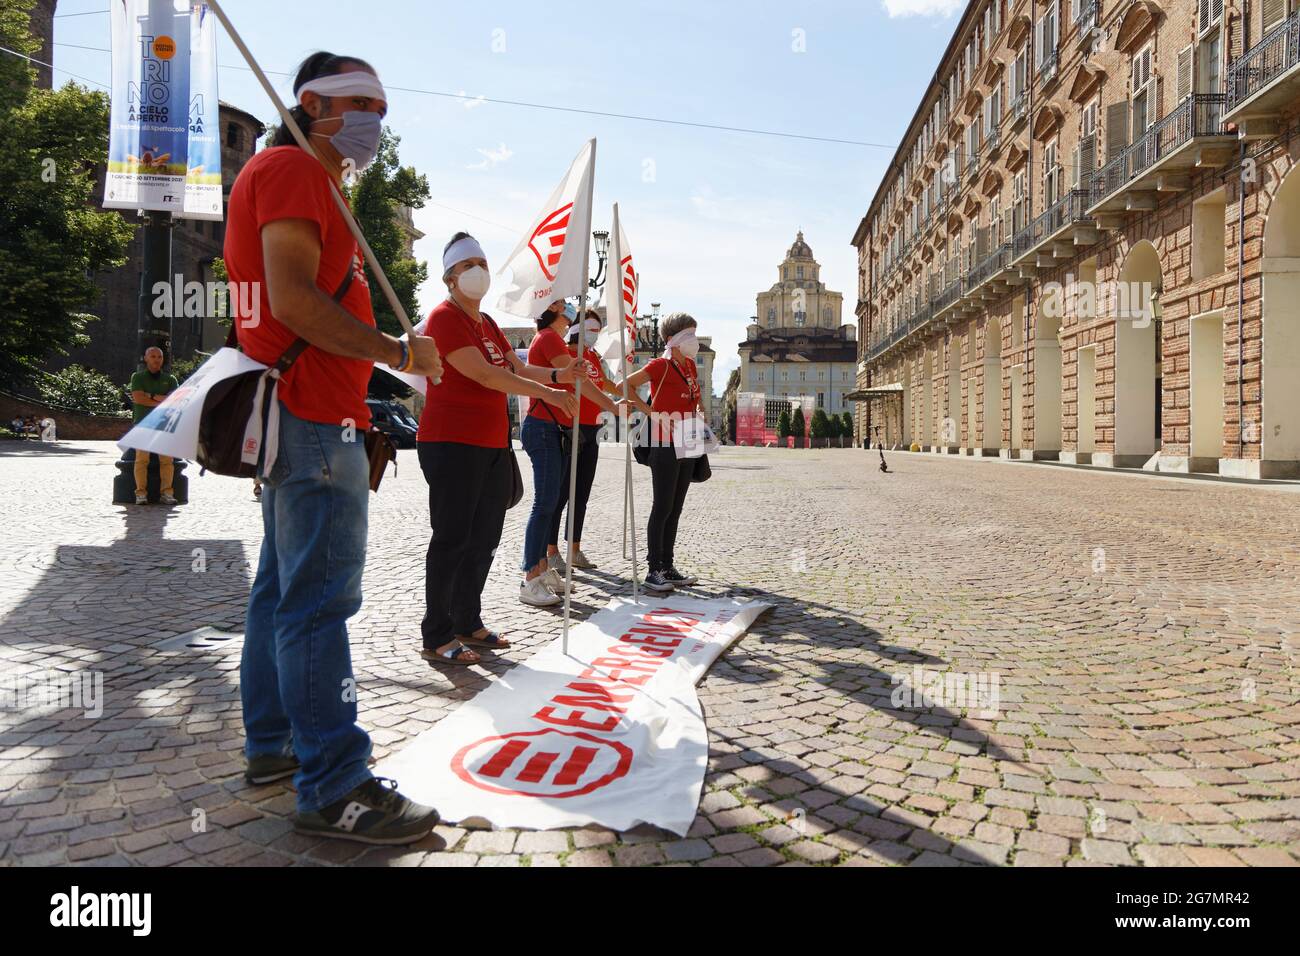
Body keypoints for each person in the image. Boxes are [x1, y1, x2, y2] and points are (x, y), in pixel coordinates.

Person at [226, 51, 443, 846]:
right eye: (360, 104)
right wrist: (394, 349)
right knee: (318, 603)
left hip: (305, 415)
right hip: (315, 417)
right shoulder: (292, 171)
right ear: (312, 104)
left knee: (281, 593)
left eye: (382, 109)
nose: (373, 123)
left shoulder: (296, 174)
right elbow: (293, 299)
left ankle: (274, 745)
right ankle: (334, 784)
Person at [417, 233, 582, 660]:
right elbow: (486, 376)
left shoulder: (487, 323)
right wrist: (545, 393)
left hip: (492, 443)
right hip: (451, 442)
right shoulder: (444, 318)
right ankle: (437, 633)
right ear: (450, 277)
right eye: (468, 265)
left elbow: (519, 367)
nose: (479, 272)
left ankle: (467, 620)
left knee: (485, 537)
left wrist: (560, 377)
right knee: (452, 537)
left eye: (483, 264)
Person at [620, 312, 705, 592]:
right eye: (688, 334)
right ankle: (653, 568)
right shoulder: (661, 365)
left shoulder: (690, 366)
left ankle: (668, 565)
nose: (693, 339)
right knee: (663, 506)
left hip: (687, 439)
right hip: (663, 441)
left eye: (695, 332)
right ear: (672, 339)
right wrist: (652, 413)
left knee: (676, 508)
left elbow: (693, 398)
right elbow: (625, 386)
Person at [546, 310, 630, 571]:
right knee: (560, 494)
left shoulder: (592, 356)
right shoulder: (568, 355)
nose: (595, 334)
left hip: (592, 429)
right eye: (591, 329)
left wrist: (628, 391)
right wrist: (613, 404)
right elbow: (583, 387)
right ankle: (551, 551)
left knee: (581, 493)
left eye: (598, 330)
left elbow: (602, 382)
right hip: (571, 426)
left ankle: (574, 549)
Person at [129, 347, 180, 505]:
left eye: (159, 357)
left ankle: (166, 493)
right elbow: (138, 399)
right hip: (142, 423)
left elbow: (175, 400)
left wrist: (149, 395)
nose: (156, 360)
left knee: (167, 462)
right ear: (146, 359)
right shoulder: (137, 377)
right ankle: (141, 494)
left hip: (164, 424)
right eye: (152, 356)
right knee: (141, 460)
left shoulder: (170, 379)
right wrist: (161, 400)